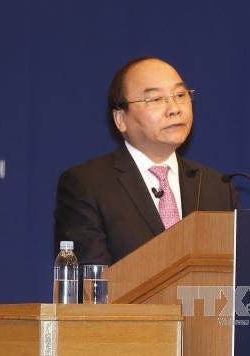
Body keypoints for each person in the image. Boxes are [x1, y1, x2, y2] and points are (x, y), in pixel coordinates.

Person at [54, 57, 238, 265]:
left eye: (180, 95)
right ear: (120, 119)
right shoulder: (87, 186)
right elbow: (91, 287)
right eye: (155, 100)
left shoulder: (217, 187)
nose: (175, 108)